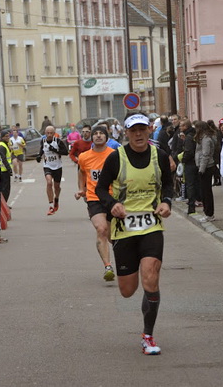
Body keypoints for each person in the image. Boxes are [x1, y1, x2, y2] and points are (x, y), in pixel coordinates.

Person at [95, 112, 173, 355]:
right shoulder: (115, 158)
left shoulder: (159, 155)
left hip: (151, 225)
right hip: (123, 229)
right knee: (127, 290)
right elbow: (100, 188)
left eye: (142, 130)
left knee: (151, 276)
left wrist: (167, 202)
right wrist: (111, 204)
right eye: (133, 131)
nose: (138, 134)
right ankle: (142, 297)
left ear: (149, 130)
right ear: (126, 133)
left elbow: (169, 183)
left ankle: (148, 336)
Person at [74, 125, 116, 281]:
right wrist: (81, 189)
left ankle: (128, 257)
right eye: (95, 134)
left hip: (112, 198)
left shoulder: (114, 155)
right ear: (91, 137)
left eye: (101, 133)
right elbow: (81, 172)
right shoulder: (84, 157)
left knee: (113, 236)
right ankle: (108, 266)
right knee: (101, 229)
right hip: (94, 198)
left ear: (106, 137)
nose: (98, 136)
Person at [37, 125, 69, 215]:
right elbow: (41, 151)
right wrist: (39, 156)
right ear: (45, 133)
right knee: (49, 183)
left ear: (54, 133)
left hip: (57, 166)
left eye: (51, 133)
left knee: (57, 186)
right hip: (47, 165)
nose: (49, 135)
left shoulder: (58, 141)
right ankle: (51, 205)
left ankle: (56, 199)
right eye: (48, 133)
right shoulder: (43, 141)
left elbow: (66, 152)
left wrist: (55, 150)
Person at [194, 120, 216, 222]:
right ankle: (207, 213)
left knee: (206, 192)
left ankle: (209, 214)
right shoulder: (203, 138)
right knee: (204, 191)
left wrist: (201, 169)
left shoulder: (206, 139)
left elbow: (205, 155)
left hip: (206, 168)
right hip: (204, 167)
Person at [180, 120, 198, 214]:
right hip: (195, 162)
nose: (180, 128)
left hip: (190, 163)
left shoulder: (188, 137)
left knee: (190, 185)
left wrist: (183, 159)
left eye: (181, 126)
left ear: (186, 126)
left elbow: (189, 151)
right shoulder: (193, 135)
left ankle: (191, 206)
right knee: (194, 184)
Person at [0, 130, 13, 202]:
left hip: (5, 169)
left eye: (8, 136)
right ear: (2, 137)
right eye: (6, 136)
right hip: (3, 170)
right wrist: (9, 169)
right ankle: (3, 204)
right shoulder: (1, 146)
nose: (8, 138)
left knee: (6, 188)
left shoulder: (5, 144)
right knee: (5, 189)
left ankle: (4, 204)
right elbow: (3, 159)